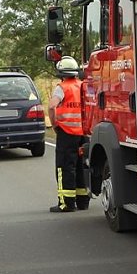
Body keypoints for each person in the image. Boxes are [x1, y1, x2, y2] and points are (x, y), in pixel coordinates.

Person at [47, 56, 87, 212]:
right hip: (83, 133)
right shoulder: (82, 86)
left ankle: (67, 204)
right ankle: (83, 202)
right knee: (81, 166)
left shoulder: (62, 88)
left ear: (61, 73)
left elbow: (51, 106)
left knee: (65, 167)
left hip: (66, 133)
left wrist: (55, 124)